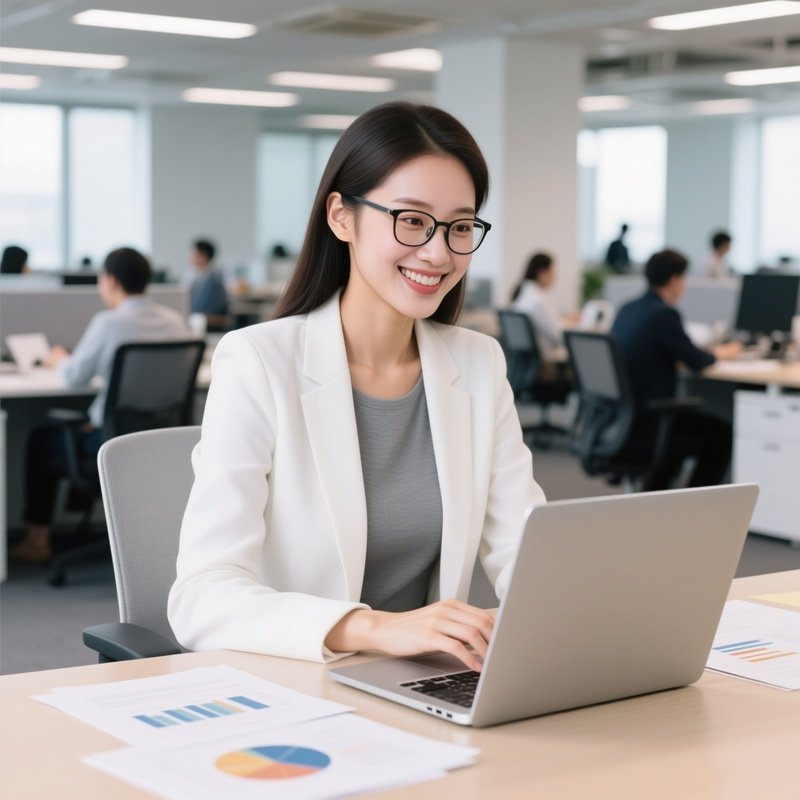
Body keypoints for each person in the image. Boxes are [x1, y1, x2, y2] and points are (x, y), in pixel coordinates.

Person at [168, 101, 545, 671]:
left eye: (461, 227)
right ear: (342, 216)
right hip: (298, 682)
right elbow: (201, 597)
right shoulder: (258, 362)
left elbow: (529, 551)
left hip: (424, 684)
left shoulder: (479, 364)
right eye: (412, 219)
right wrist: (373, 628)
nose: (439, 252)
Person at [10, 247, 188, 563]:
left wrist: (58, 358)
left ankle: (38, 540)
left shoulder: (109, 322)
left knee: (42, 439)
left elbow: (74, 377)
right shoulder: (174, 321)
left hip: (110, 441)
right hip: (158, 442)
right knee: (79, 431)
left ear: (112, 280)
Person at [611, 248, 743, 491]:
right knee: (720, 434)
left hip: (620, 420)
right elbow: (698, 361)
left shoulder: (627, 308)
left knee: (683, 431)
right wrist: (722, 352)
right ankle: (697, 508)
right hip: (648, 421)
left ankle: (657, 497)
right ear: (674, 279)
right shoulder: (664, 314)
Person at [510, 252, 577, 371]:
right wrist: (575, 324)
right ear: (541, 272)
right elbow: (558, 335)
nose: (555, 277)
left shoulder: (525, 294)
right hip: (547, 360)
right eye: (553, 272)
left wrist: (565, 320)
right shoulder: (538, 300)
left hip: (526, 363)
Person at [189, 238, 228, 331]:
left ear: (203, 256)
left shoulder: (213, 280)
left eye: (193, 254)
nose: (190, 257)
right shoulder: (199, 276)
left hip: (209, 328)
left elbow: (200, 308)